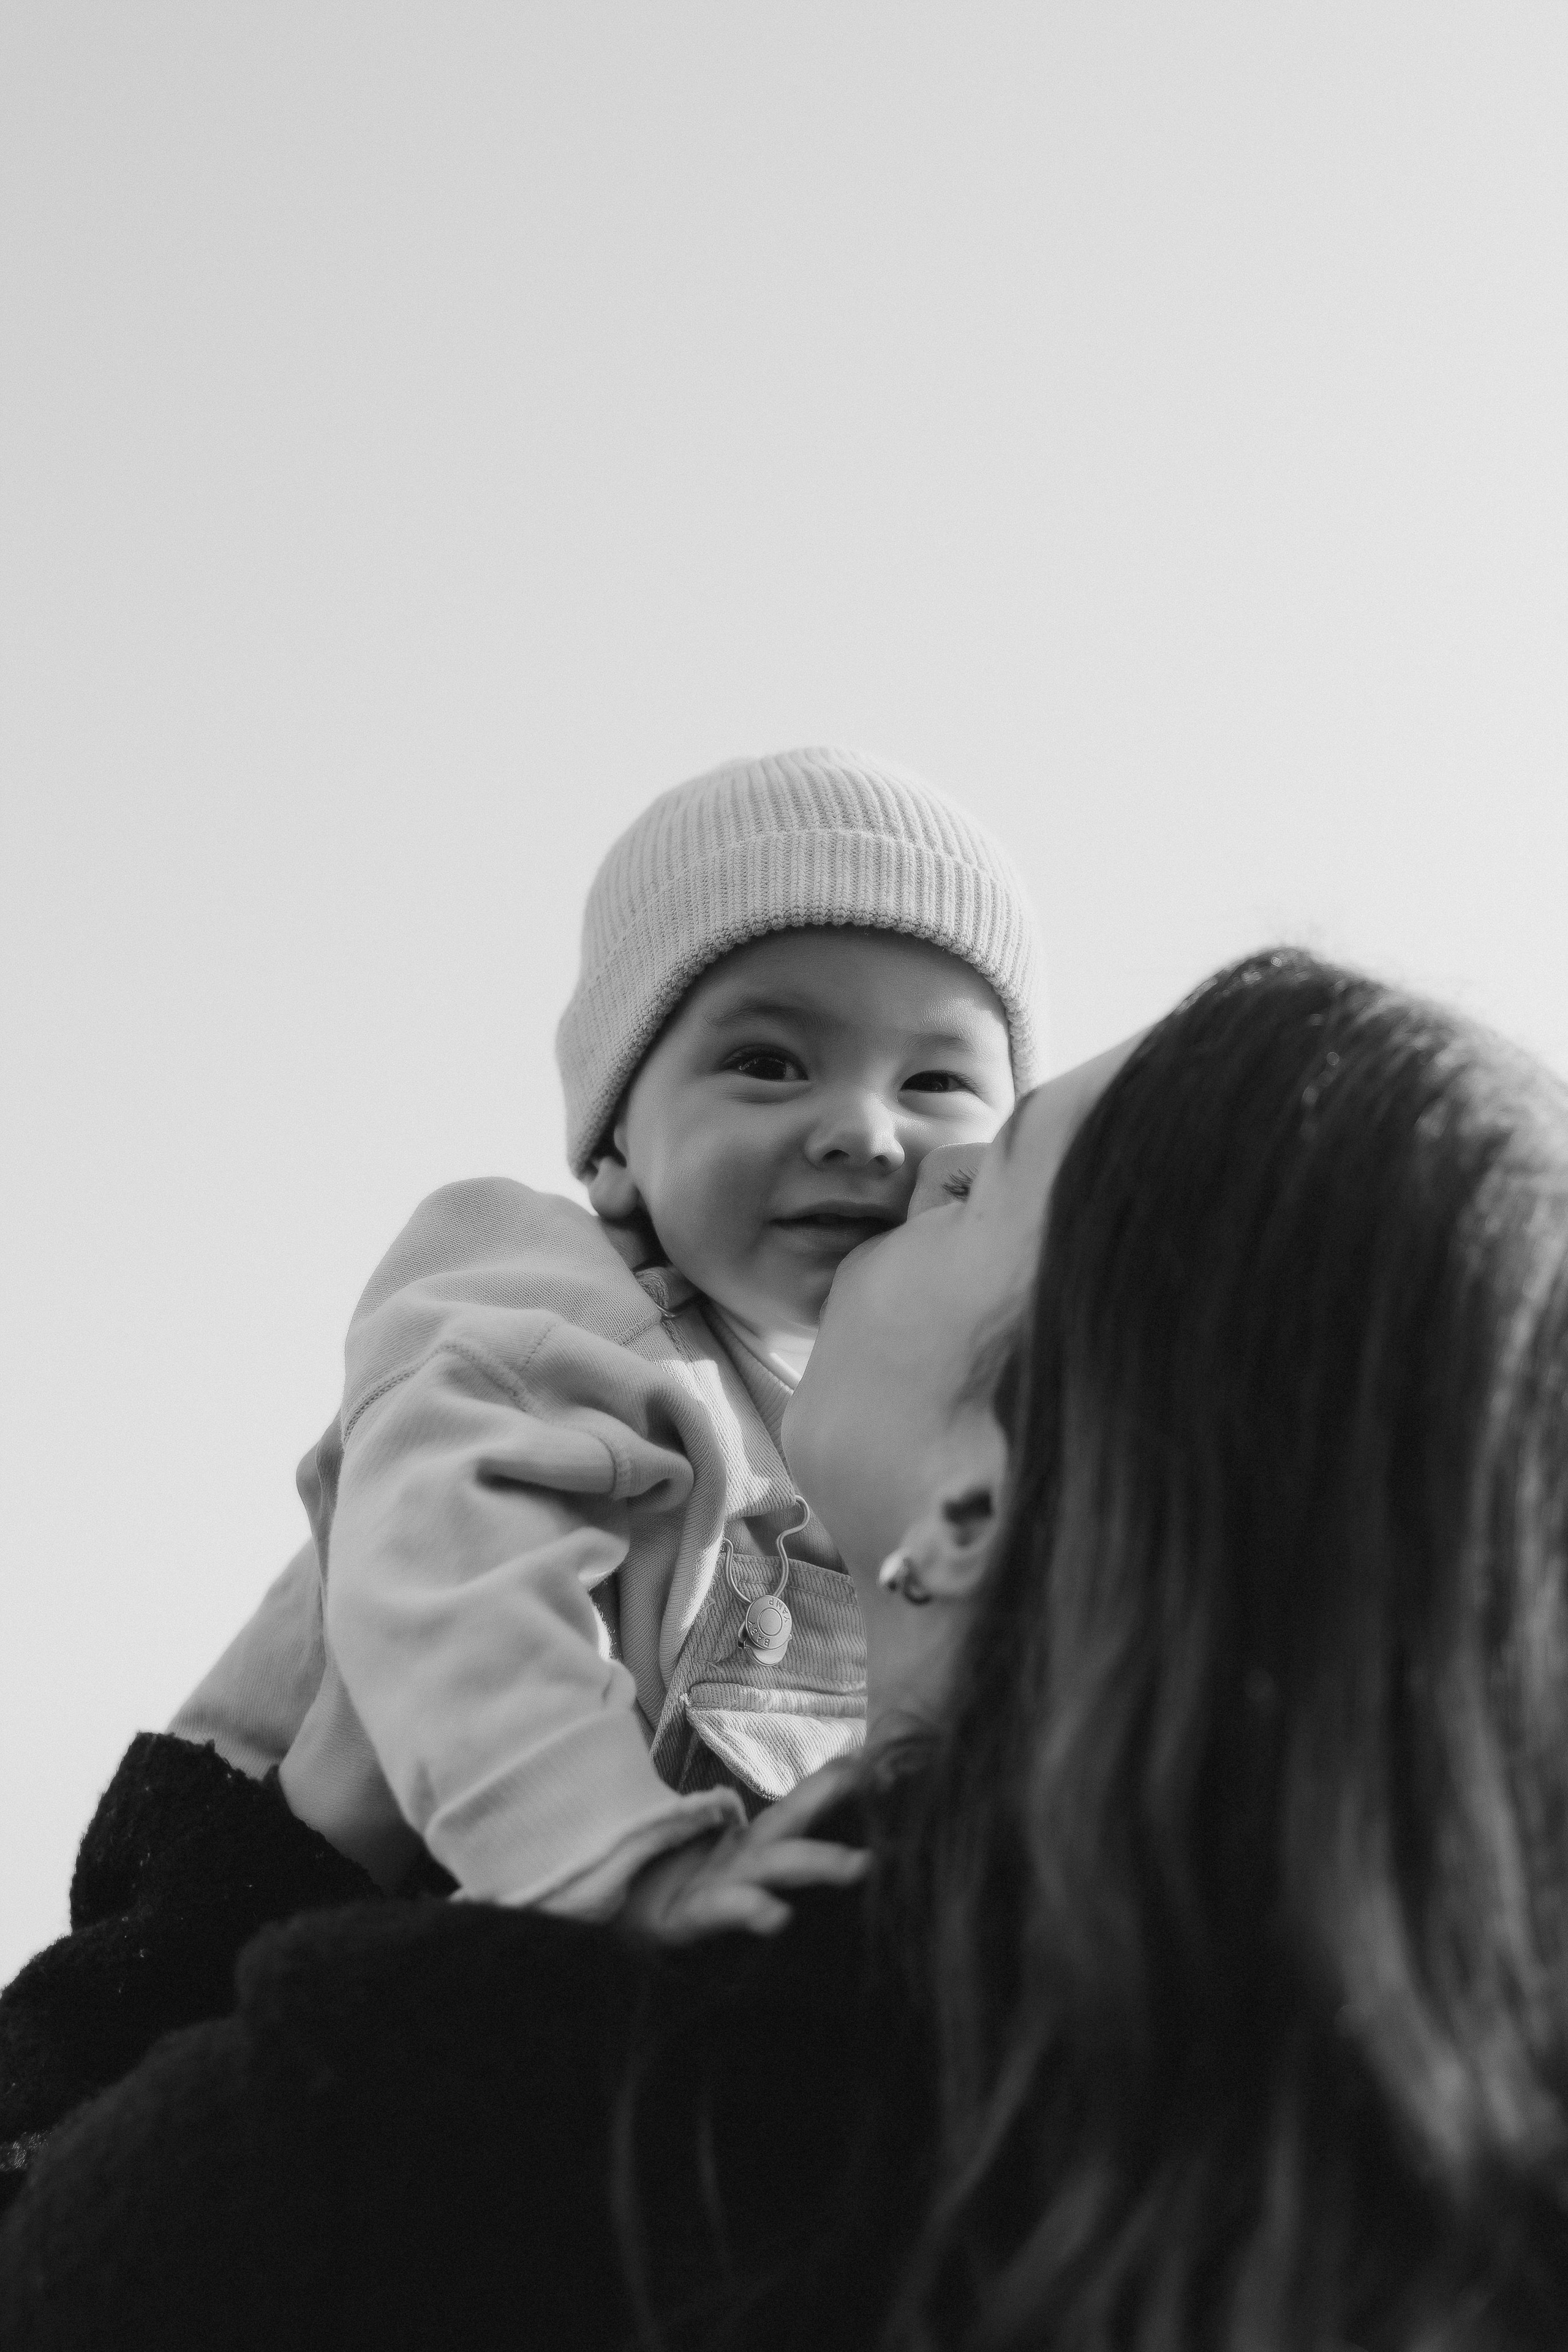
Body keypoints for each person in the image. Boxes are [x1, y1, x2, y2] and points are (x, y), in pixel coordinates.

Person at [5, 947, 1568, 2352]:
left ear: (976, 1501)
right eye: (767, 1060)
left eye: (979, 1172)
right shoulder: (1404, 2183)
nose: (902, 1159)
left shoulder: (501, 2110)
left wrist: (300, 1851)